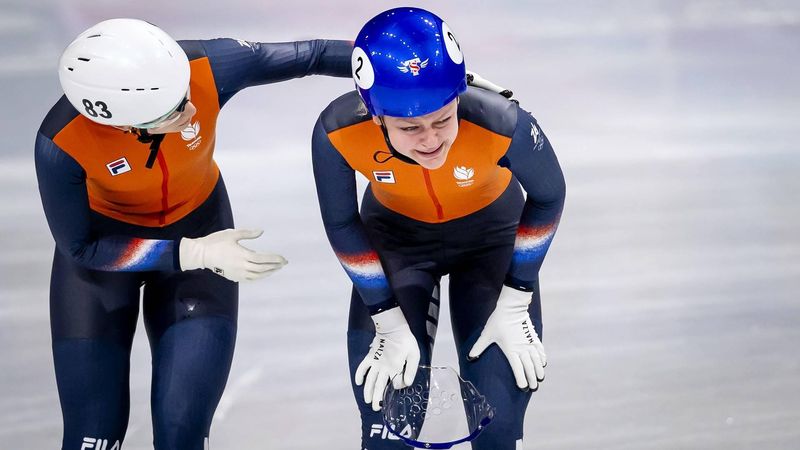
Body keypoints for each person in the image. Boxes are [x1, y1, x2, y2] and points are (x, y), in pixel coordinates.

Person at [35, 18, 351, 450]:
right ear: (123, 124)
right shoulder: (60, 143)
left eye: (182, 95)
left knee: (181, 433)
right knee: (94, 436)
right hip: (109, 252)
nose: (189, 111)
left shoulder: (207, 66)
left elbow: (314, 53)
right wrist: (192, 253)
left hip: (200, 224)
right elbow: (81, 246)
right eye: (171, 113)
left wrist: (438, 76)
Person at [311, 8, 565, 449]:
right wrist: (386, 320)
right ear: (376, 117)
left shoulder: (501, 122)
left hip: (491, 242)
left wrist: (516, 298)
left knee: (497, 428)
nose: (430, 140)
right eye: (410, 127)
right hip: (398, 244)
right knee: (388, 430)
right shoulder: (337, 131)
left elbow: (549, 196)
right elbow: (341, 222)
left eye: (444, 120)